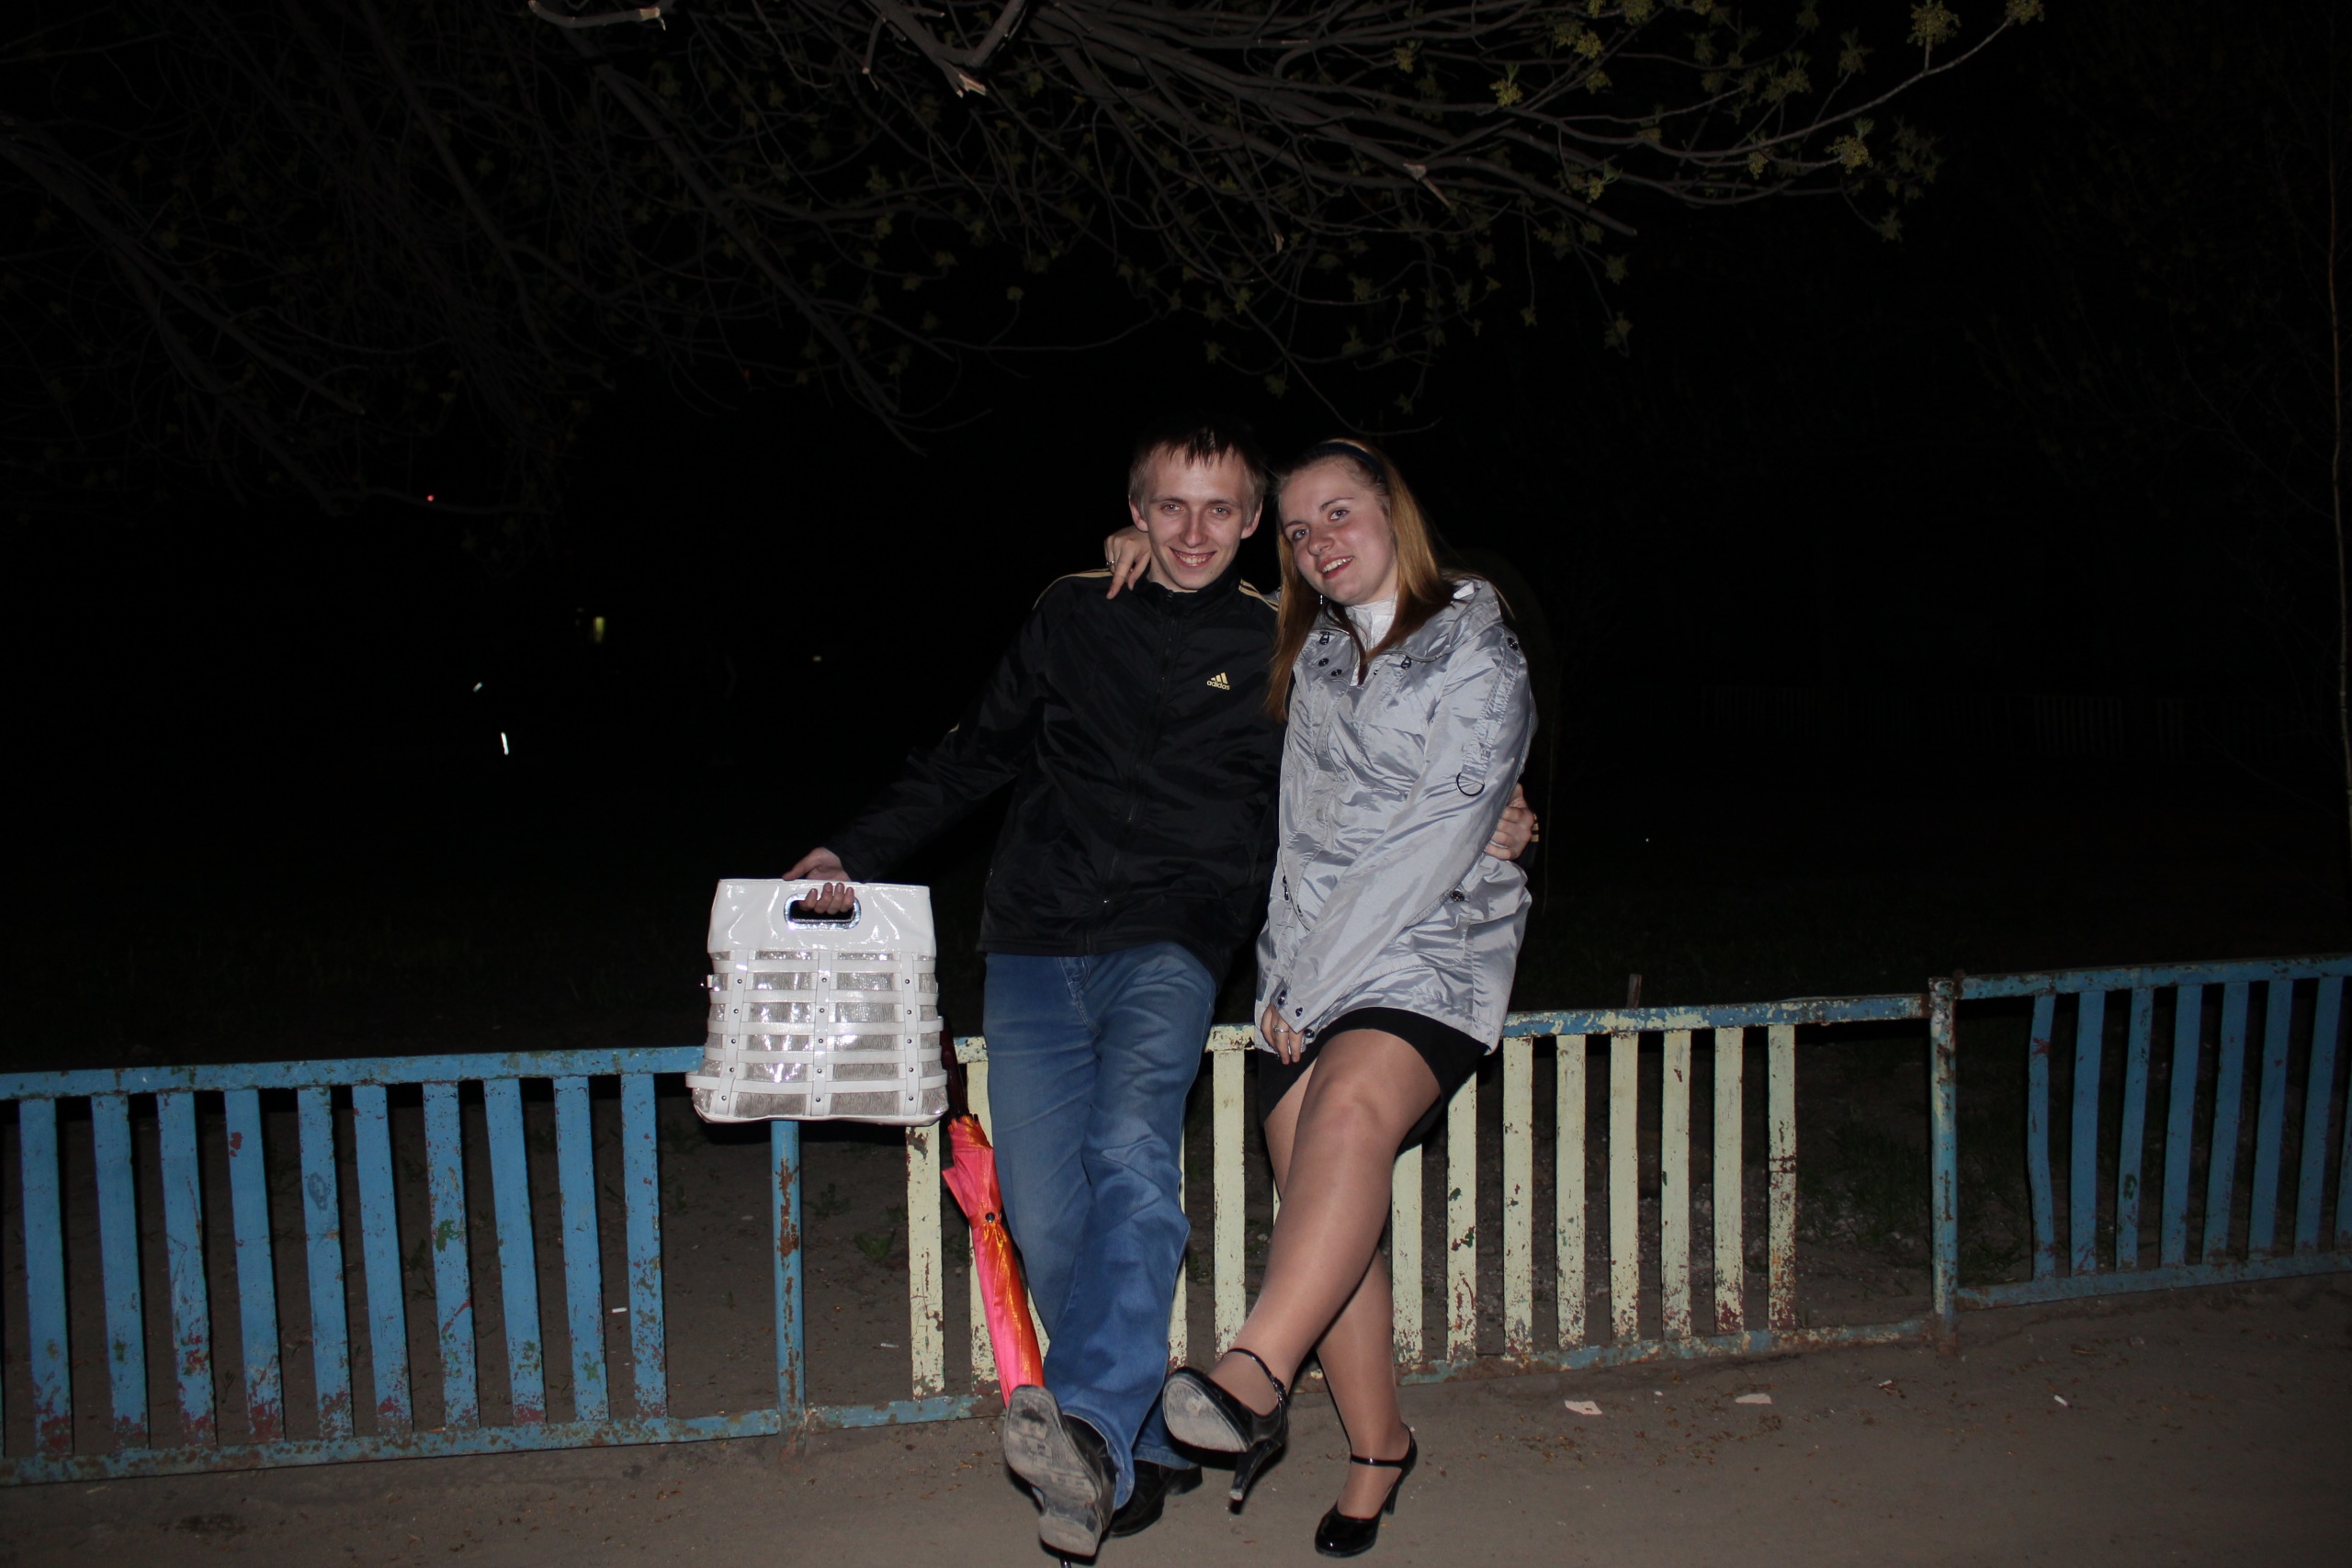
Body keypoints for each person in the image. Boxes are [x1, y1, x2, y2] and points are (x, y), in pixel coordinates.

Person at [786, 416, 1535, 1559]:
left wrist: (1496, 812)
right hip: (1034, 939)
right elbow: (973, 753)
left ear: (1252, 526)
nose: (1193, 531)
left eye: (1222, 509)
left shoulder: (1279, 637)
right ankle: (1139, 1443)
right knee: (1045, 1214)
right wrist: (852, 850)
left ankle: (1101, 1425)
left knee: (1133, 1152)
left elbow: (1389, 765)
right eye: (1169, 508)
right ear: (1133, 514)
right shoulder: (1076, 612)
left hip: (1179, 938)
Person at [1152, 438, 1537, 1560]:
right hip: (1303, 965)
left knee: (1351, 1113)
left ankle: (1253, 1373)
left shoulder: (1477, 649)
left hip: (1431, 950)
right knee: (1333, 1206)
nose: (1318, 542)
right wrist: (1129, 543)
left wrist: (1318, 981)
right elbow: (1299, 830)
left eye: (1338, 513)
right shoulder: (1311, 653)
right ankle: (1379, 1449)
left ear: (1391, 512)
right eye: (1297, 530)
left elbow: (1434, 838)